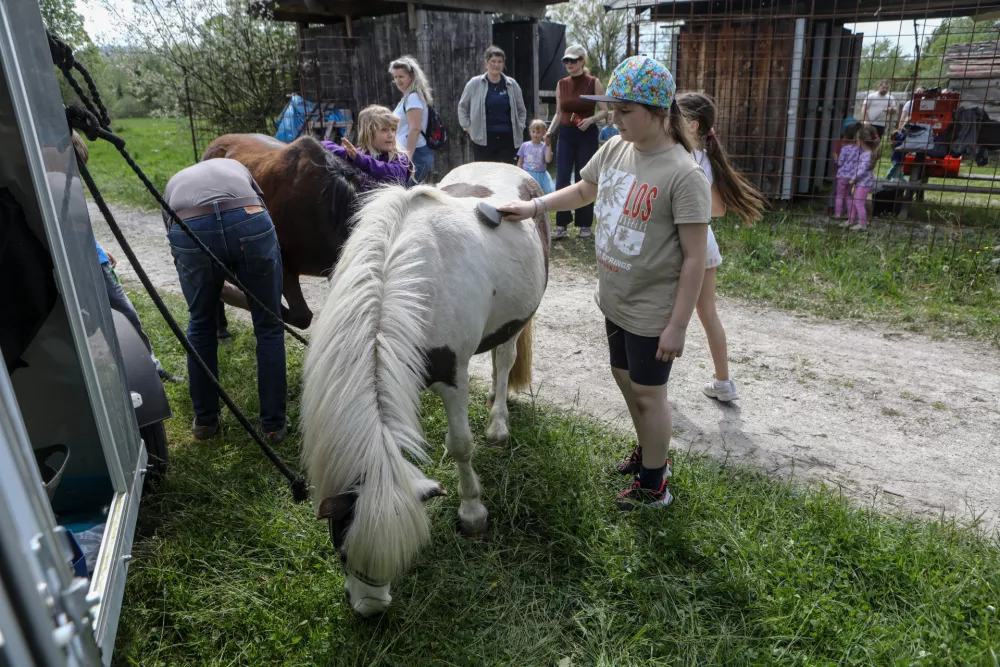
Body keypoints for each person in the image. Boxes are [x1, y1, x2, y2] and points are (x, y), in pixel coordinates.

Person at [498, 56, 710, 509]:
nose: (613, 119)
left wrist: (678, 326)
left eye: (623, 111)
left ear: (657, 111)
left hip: (654, 312)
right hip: (615, 300)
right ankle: (651, 451)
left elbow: (694, 259)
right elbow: (583, 190)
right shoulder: (615, 149)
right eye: (611, 109)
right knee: (623, 376)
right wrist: (533, 209)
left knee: (650, 397)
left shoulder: (683, 175)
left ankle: (655, 484)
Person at [163, 159, 287, 443]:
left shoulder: (175, 179)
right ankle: (273, 426)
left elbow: (174, 243)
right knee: (269, 326)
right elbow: (261, 208)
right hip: (248, 215)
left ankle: (206, 423)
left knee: (200, 324)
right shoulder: (235, 166)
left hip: (189, 222)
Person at [676, 92, 765, 403]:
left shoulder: (682, 158)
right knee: (708, 313)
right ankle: (723, 382)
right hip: (704, 242)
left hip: (679, 244)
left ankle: (651, 383)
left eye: (674, 115)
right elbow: (718, 210)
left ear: (692, 124)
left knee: (663, 313)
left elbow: (713, 208)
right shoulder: (704, 157)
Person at [70, 131, 179, 383]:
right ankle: (108, 375)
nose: (77, 173)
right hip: (76, 266)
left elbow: (77, 225)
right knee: (88, 325)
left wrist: (97, 247)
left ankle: (150, 367)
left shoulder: (68, 184)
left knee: (127, 313)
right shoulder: (47, 186)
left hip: (96, 262)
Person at [545, 45, 611, 240]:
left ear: (582, 61)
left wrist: (590, 120)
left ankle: (584, 224)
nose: (569, 64)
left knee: (585, 177)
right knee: (563, 178)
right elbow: (558, 113)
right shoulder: (561, 84)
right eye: (566, 61)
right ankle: (562, 223)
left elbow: (604, 110)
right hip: (566, 134)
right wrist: (550, 131)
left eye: (573, 60)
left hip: (587, 134)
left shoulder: (593, 82)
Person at [458, 45, 528, 165]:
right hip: (483, 139)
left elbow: (521, 110)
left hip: (508, 139)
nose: (496, 65)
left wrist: (519, 126)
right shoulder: (474, 83)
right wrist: (469, 129)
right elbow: (462, 107)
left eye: (500, 61)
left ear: (503, 64)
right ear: (486, 63)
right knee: (485, 175)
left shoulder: (512, 84)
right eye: (493, 61)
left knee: (505, 174)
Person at [321, 105, 411, 190]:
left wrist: (360, 160)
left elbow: (394, 176)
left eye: (393, 129)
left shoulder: (400, 158)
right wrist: (311, 143)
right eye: (384, 130)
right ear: (368, 133)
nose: (391, 135)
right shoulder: (357, 155)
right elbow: (329, 147)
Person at [389, 55, 435, 185]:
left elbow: (415, 129)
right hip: (411, 154)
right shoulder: (408, 98)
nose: (398, 81)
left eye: (401, 76)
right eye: (395, 77)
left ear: (412, 76)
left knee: (406, 197)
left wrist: (407, 159)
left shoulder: (413, 98)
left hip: (415, 155)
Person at [847, 125, 880, 231]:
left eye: (856, 140)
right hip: (861, 182)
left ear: (861, 141)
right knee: (854, 201)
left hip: (863, 183)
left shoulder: (867, 155)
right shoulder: (865, 153)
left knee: (859, 203)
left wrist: (853, 178)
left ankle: (862, 224)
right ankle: (851, 220)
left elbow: (862, 169)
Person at [517, 119, 554, 194]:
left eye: (538, 132)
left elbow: (548, 160)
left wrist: (548, 145)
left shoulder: (544, 146)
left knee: (543, 194)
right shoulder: (525, 145)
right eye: (533, 132)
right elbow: (520, 161)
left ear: (544, 133)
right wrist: (518, 173)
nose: (535, 134)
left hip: (541, 175)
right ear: (530, 131)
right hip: (527, 174)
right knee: (527, 194)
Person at [834, 123, 861, 219]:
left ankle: (837, 213)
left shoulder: (845, 148)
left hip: (842, 175)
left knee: (839, 195)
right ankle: (850, 214)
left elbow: (840, 162)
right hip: (853, 176)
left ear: (846, 136)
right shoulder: (860, 149)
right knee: (848, 195)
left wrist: (835, 158)